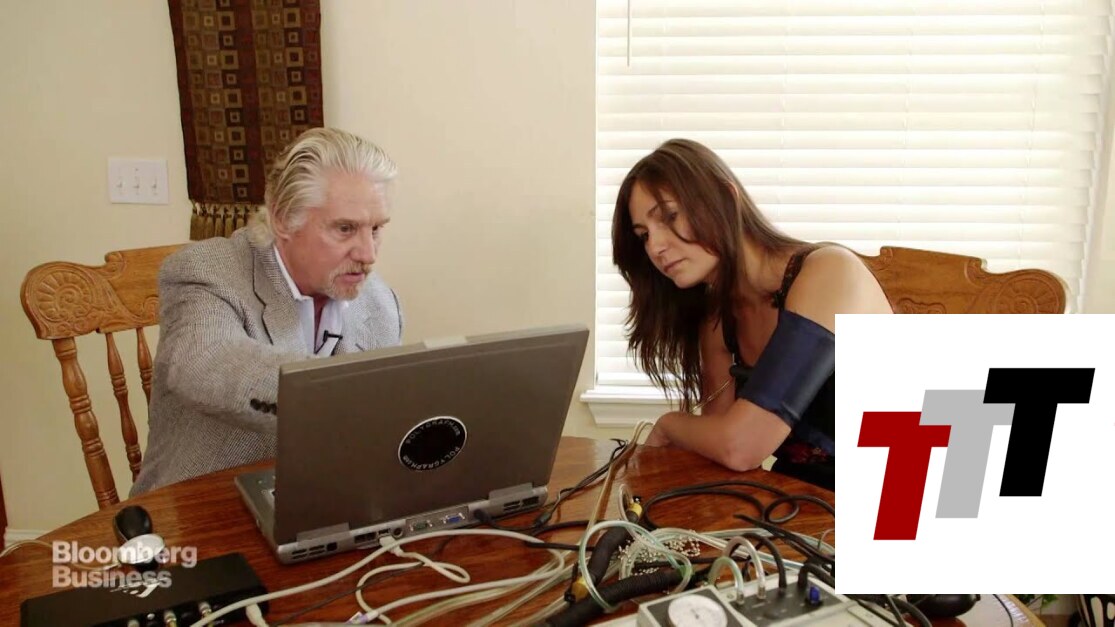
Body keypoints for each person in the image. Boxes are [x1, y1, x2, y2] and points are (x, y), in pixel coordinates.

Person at [131, 128, 404, 494]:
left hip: (318, 500)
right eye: (345, 229)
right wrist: (345, 393)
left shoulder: (380, 303)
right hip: (199, 506)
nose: (368, 254)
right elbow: (205, 362)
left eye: (376, 229)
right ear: (282, 219)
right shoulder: (207, 270)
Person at [612, 139, 892, 489]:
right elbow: (718, 449)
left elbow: (740, 446)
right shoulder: (720, 320)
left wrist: (670, 424)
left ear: (727, 199)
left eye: (669, 217)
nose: (655, 246)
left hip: (902, 499)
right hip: (802, 498)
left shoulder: (830, 272)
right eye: (643, 235)